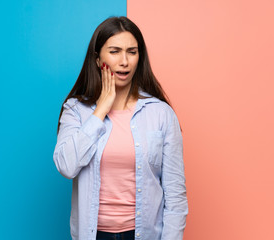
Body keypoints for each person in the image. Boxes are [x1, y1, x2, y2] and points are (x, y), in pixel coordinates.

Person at [53, 16, 188, 240]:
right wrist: (100, 110)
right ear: (97, 59)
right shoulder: (76, 110)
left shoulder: (161, 114)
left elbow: (175, 195)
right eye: (114, 51)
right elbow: (66, 166)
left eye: (132, 52)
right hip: (93, 235)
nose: (124, 61)